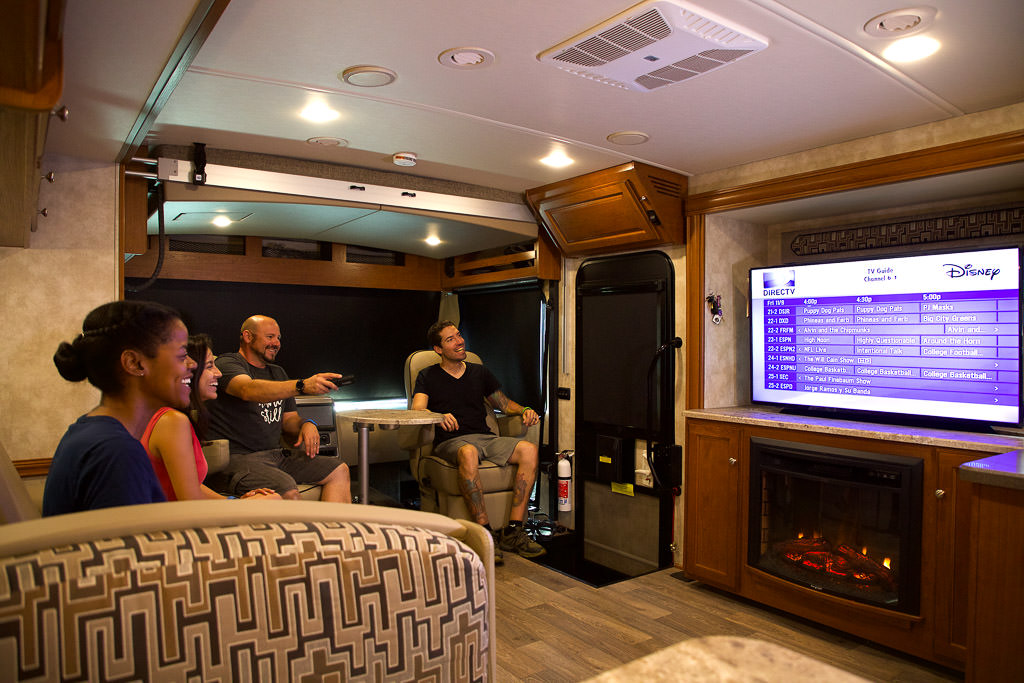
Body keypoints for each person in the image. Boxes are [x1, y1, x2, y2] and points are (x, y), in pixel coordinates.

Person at [411, 320, 546, 559]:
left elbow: (503, 404)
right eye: (450, 339)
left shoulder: (479, 372)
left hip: (485, 437)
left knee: (529, 450)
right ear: (438, 349)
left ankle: (513, 532)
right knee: (469, 452)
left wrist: (524, 409)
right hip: (451, 442)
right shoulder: (427, 376)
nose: (459, 341)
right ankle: (484, 533)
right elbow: (418, 410)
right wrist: (437, 416)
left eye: (459, 335)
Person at [43, 301, 190, 515]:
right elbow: (127, 547)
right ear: (134, 363)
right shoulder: (116, 452)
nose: (192, 364)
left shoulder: (89, 431)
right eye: (182, 355)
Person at [204, 315, 351, 502]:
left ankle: (331, 531)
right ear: (248, 337)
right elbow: (247, 389)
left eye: (278, 338)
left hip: (276, 455)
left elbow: (288, 420)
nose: (276, 343)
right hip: (238, 459)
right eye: (270, 337)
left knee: (339, 469)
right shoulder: (227, 364)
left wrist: (307, 424)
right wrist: (301, 385)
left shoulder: (278, 372)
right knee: (285, 488)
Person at [140, 333, 280, 501]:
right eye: (209, 366)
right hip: (172, 521)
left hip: (183, 514)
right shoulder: (172, 420)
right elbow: (190, 501)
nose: (218, 373)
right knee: (271, 500)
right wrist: (239, 506)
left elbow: (194, 486)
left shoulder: (173, 417)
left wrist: (235, 501)